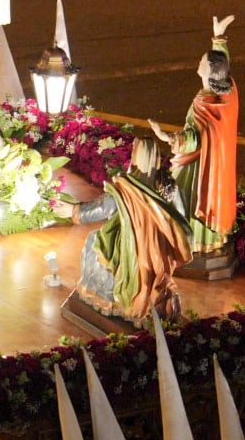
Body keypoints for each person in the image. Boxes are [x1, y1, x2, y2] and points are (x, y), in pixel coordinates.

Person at [70, 136, 191, 324]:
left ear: (136, 157)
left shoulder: (128, 188)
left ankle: (111, 301)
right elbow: (181, 220)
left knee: (96, 242)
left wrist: (73, 210)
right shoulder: (169, 186)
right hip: (161, 253)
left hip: (132, 247)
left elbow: (102, 209)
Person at [169, 16, 240, 257]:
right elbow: (223, 64)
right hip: (217, 166)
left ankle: (194, 240)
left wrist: (171, 138)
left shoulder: (206, 103)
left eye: (202, 61)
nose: (198, 63)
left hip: (200, 167)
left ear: (209, 70)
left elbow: (195, 140)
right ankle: (211, 236)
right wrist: (218, 39)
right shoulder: (228, 92)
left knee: (184, 196)